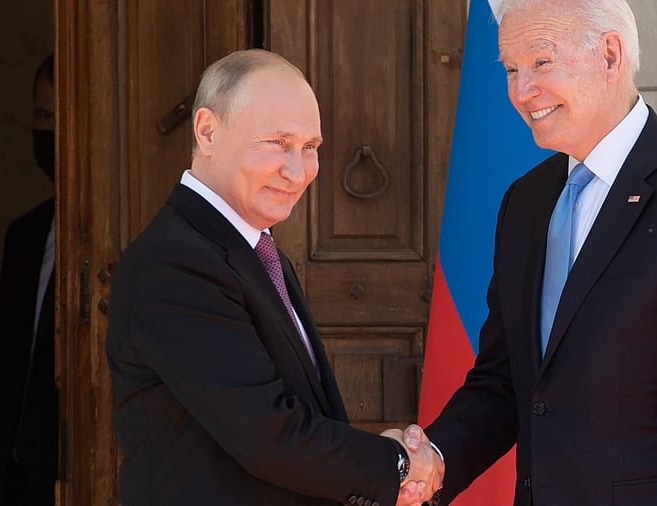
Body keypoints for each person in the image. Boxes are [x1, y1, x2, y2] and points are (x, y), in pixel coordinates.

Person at [416, 0, 657, 504]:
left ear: (609, 55)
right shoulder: (525, 202)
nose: (522, 91)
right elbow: (506, 381)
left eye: (541, 63)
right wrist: (433, 458)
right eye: (512, 70)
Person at [105, 49, 443, 506]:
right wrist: (394, 464)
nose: (298, 170)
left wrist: (383, 459)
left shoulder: (259, 252)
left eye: (310, 147)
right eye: (277, 142)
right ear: (207, 131)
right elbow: (267, 435)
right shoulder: (174, 263)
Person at [0, 53, 58, 506]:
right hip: (22, 477)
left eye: (58, 118)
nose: (48, 132)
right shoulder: (25, 236)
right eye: (41, 116)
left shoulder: (134, 242)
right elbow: (9, 365)